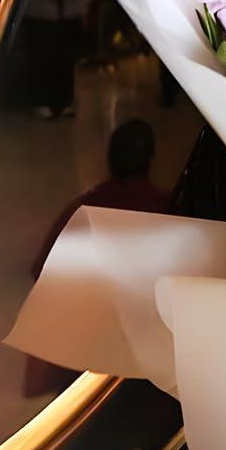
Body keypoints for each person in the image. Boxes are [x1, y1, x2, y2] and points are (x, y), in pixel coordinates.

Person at [22, 117, 171, 397]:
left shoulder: (81, 212)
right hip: (147, 362)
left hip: (85, 361)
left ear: (109, 160)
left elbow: (42, 276)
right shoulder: (168, 210)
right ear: (151, 160)